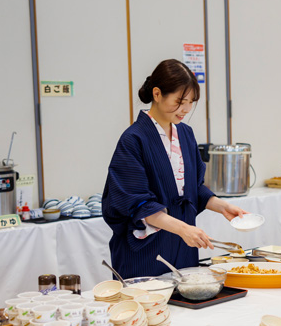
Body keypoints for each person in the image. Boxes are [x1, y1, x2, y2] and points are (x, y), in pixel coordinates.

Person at [102, 59, 246, 279]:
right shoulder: (133, 139)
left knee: (186, 305)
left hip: (182, 246)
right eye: (180, 101)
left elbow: (192, 189)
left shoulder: (185, 134)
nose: (186, 109)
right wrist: (183, 229)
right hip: (146, 253)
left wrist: (222, 206)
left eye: (191, 102)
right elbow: (137, 204)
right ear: (157, 94)